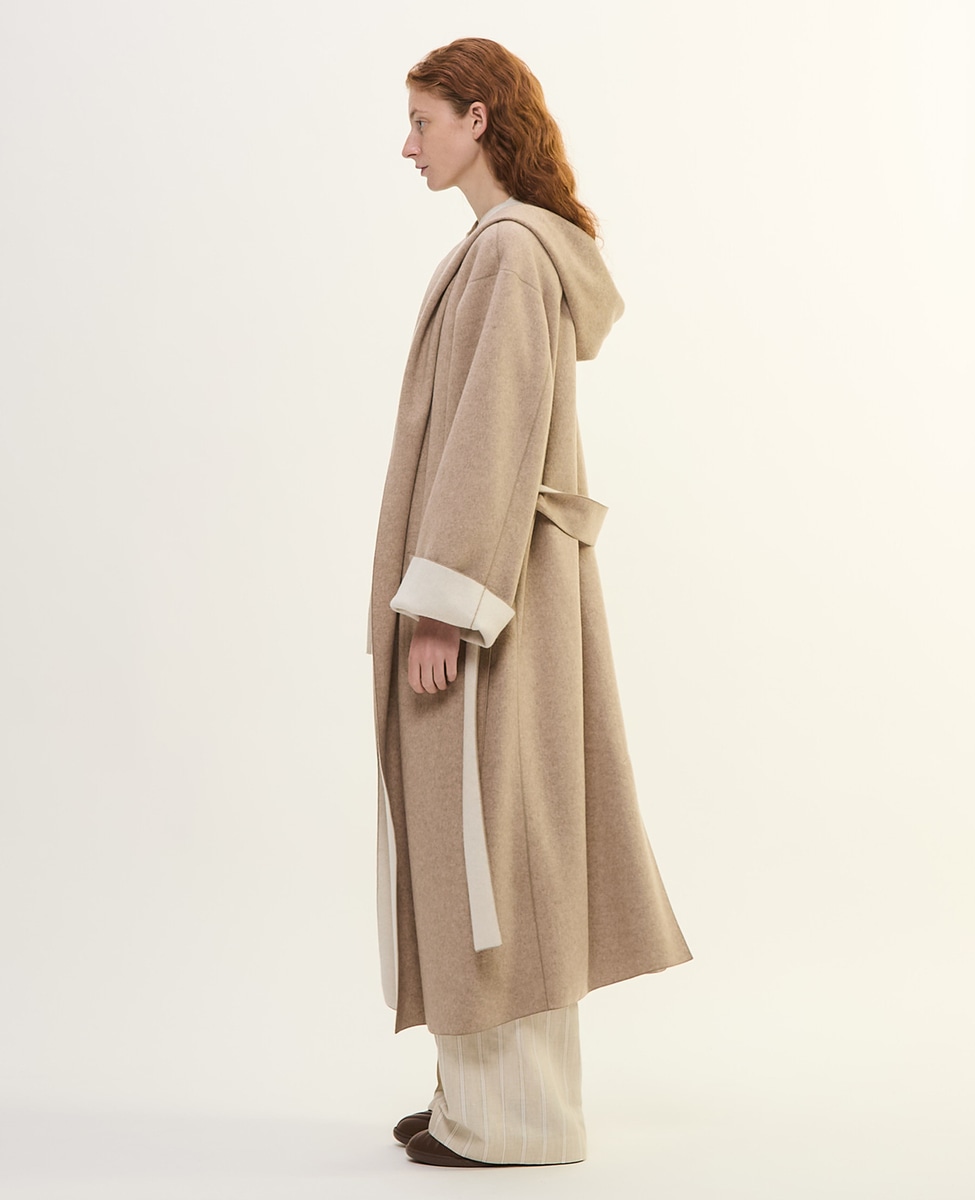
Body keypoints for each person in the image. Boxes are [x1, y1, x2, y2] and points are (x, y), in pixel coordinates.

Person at [368, 37, 692, 1168]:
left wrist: (445, 603)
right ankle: (479, 1092)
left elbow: (493, 433)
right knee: (490, 825)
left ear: (477, 118)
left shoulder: (508, 251)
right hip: (511, 588)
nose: (407, 145)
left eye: (422, 121)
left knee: (488, 833)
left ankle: (514, 1119)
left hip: (490, 601)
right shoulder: (507, 246)